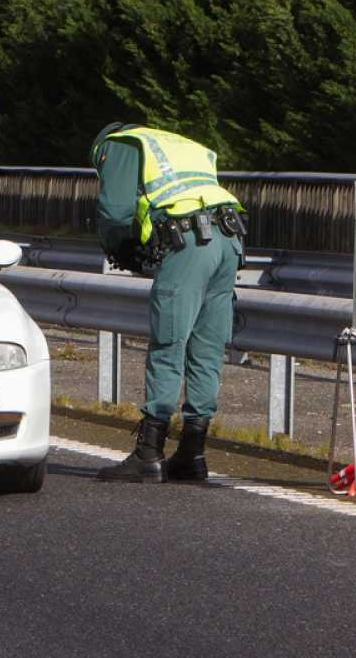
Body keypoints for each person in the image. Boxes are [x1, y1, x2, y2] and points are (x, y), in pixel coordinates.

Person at [90, 122, 245, 484]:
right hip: (229, 238)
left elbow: (115, 212)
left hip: (190, 241)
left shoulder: (120, 144)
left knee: (169, 340)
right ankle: (193, 454)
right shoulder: (182, 144)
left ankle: (148, 453)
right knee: (206, 346)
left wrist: (120, 249)